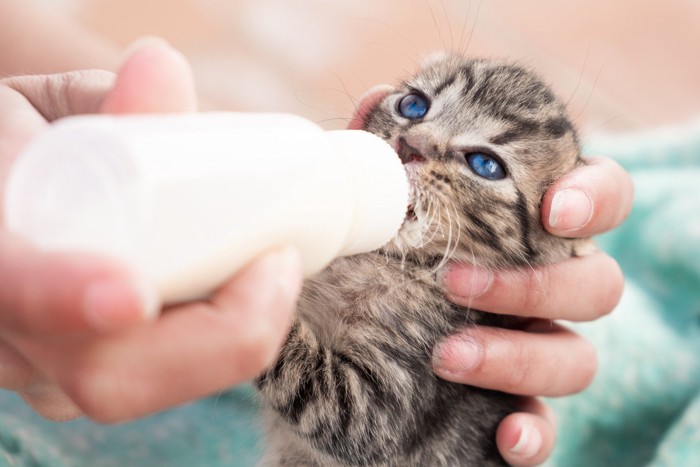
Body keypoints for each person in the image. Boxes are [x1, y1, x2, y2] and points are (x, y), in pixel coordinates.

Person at [0, 2, 632, 466]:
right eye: (416, 105)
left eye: (485, 164)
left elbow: (357, 425)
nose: (418, 141)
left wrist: (256, 289)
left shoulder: (443, 310)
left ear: (543, 246)